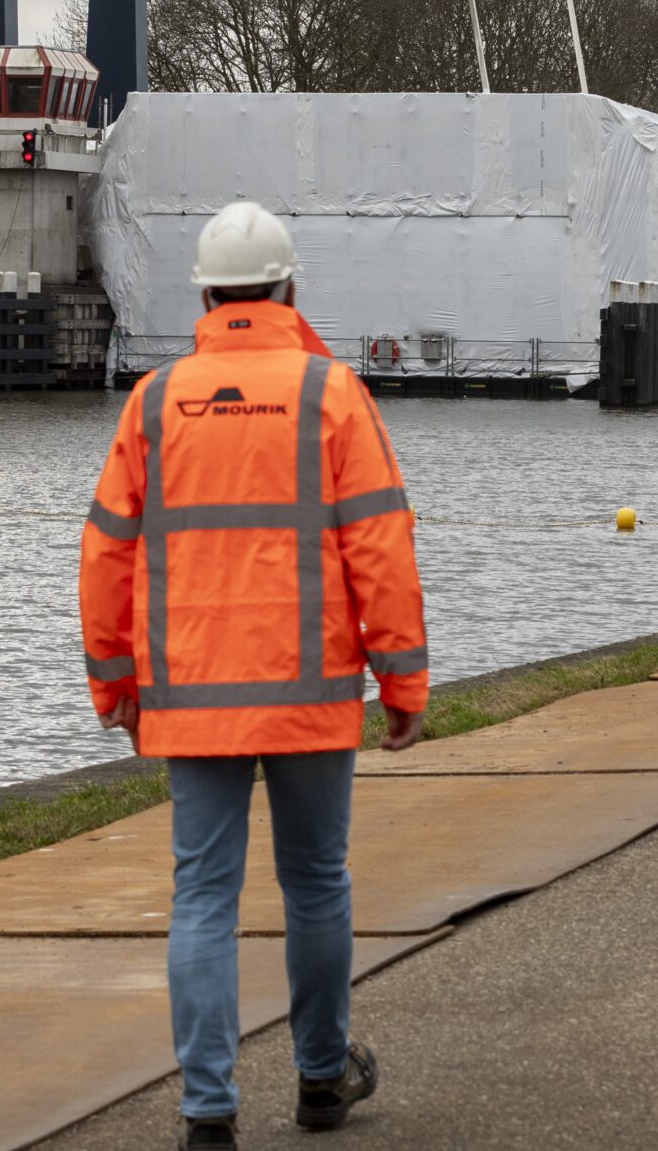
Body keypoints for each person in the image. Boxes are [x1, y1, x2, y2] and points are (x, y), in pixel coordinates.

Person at [79, 201, 431, 1150]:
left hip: (189, 698)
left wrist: (112, 679)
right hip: (311, 689)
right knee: (316, 882)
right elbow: (380, 546)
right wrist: (402, 681)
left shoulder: (154, 403)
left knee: (203, 895)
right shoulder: (331, 393)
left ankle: (208, 1112)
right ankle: (321, 1077)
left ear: (204, 293)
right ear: (289, 288)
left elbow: (107, 552)